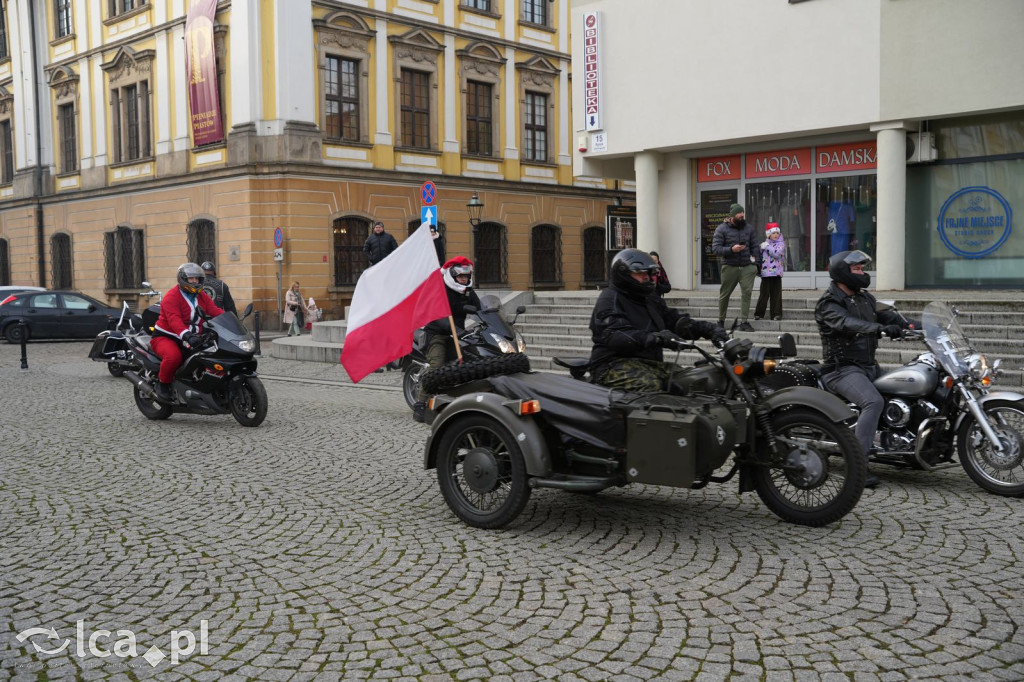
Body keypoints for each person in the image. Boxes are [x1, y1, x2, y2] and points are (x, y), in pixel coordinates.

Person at [815, 250, 916, 488]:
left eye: (862, 268)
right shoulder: (829, 303)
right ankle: (857, 467)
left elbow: (892, 318)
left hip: (869, 366)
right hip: (841, 370)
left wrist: (916, 326)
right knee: (873, 402)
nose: (862, 273)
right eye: (857, 269)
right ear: (842, 271)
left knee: (906, 388)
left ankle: (905, 447)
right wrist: (878, 329)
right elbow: (846, 323)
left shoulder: (865, 298)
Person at [588, 249, 729, 393]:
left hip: (648, 363)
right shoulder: (610, 299)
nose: (646, 277)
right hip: (612, 365)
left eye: (648, 273)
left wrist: (708, 329)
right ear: (624, 274)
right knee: (651, 386)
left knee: (691, 381)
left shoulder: (649, 298)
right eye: (640, 273)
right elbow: (615, 335)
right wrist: (655, 338)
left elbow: (673, 319)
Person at [412, 256, 482, 422]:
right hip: (437, 333)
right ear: (452, 275)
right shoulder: (441, 291)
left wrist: (491, 317)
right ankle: (420, 404)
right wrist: (455, 330)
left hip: (459, 333)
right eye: (460, 277)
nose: (464, 279)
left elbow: (480, 308)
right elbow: (437, 316)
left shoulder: (468, 291)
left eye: (466, 276)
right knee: (437, 365)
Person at [151, 262, 224, 402]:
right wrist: (187, 335)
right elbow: (174, 320)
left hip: (193, 336)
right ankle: (163, 384)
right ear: (183, 279)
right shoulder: (171, 297)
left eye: (197, 279)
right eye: (191, 279)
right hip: (167, 336)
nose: (195, 281)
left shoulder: (201, 295)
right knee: (173, 357)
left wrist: (232, 322)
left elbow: (215, 311)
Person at [711, 203, 760, 332]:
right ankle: (720, 321)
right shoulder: (721, 229)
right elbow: (715, 249)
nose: (742, 215)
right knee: (725, 294)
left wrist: (756, 264)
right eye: (739, 213)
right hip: (729, 267)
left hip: (747, 267)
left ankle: (744, 322)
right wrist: (731, 249)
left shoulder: (749, 228)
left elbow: (755, 246)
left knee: (747, 294)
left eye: (743, 213)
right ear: (732, 215)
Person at [754, 222, 785, 321]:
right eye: (773, 233)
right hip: (766, 274)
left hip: (776, 274)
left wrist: (767, 247)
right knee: (764, 294)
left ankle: (776, 314)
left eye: (777, 233)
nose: (776, 235)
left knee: (776, 294)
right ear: (769, 234)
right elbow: (759, 256)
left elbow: (777, 254)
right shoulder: (764, 244)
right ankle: (759, 314)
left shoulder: (781, 244)